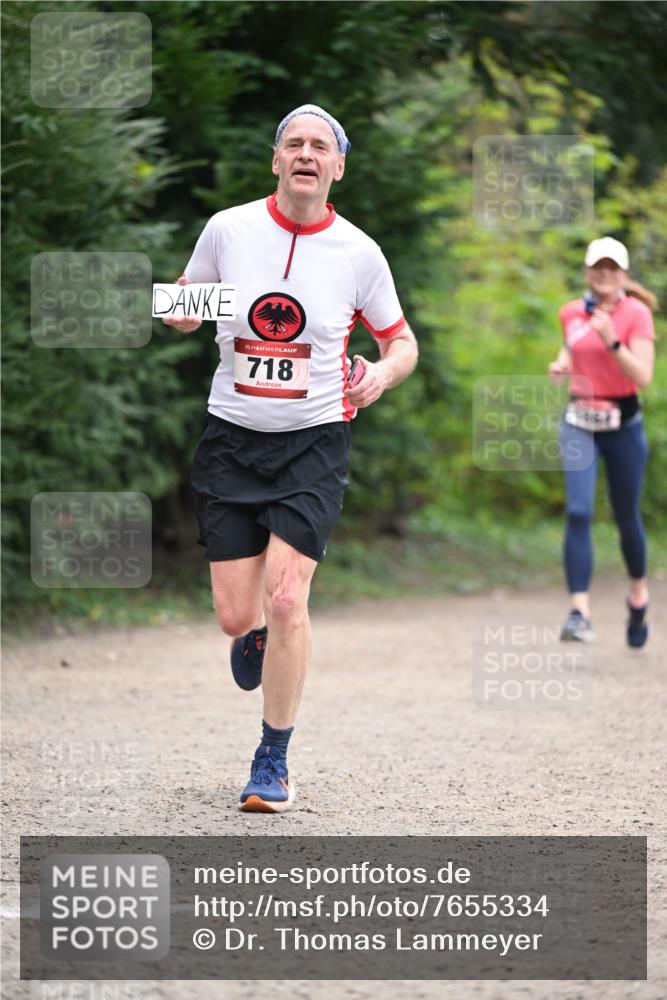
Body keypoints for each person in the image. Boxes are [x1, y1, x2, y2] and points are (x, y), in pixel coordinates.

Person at [163, 104, 418, 812]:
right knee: (234, 613)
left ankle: (271, 760)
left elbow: (402, 344)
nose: (306, 153)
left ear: (337, 166)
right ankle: (253, 641)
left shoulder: (358, 253)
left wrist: (379, 376)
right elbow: (188, 301)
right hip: (230, 437)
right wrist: (178, 309)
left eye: (320, 146)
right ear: (275, 160)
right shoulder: (229, 229)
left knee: (286, 598)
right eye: (293, 143)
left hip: (313, 439)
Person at [549, 237, 656, 647]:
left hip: (623, 423)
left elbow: (642, 377)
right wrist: (562, 361)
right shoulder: (571, 312)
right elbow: (573, 344)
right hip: (579, 419)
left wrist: (613, 339)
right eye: (598, 266)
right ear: (587, 271)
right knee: (578, 511)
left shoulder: (637, 315)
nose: (604, 273)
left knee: (626, 516)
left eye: (613, 267)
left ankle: (638, 593)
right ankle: (580, 612)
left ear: (624, 274)